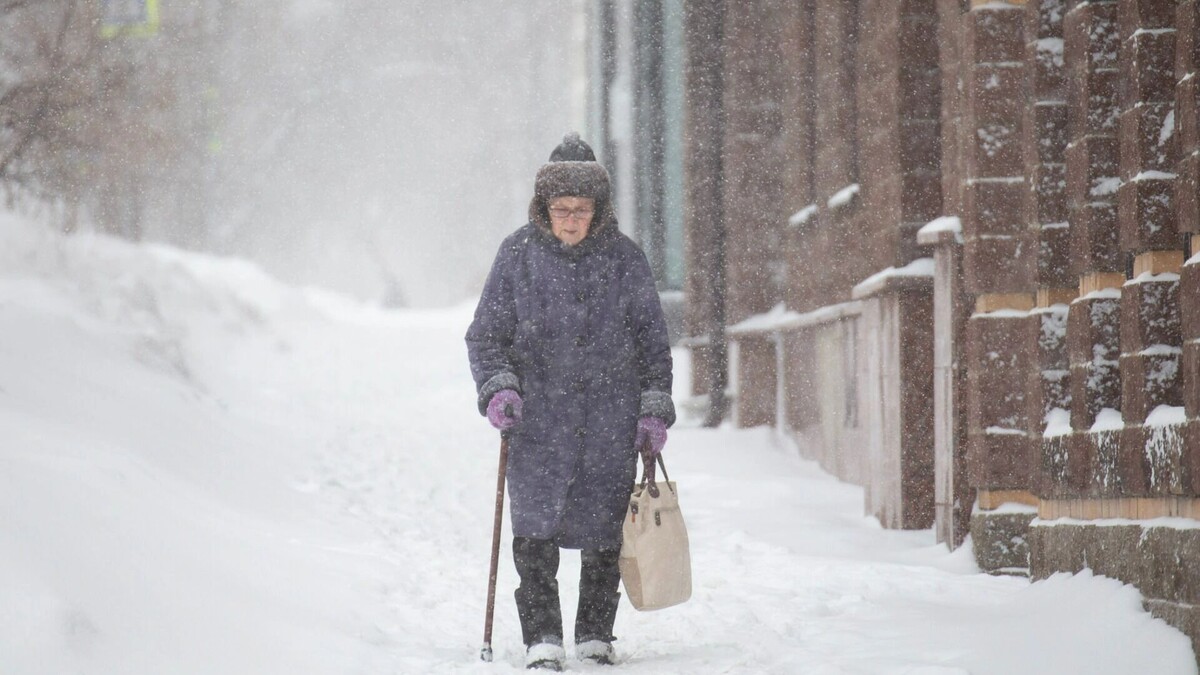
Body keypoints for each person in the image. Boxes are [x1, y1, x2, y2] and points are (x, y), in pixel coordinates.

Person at [466, 133, 674, 670]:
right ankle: (541, 638)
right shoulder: (517, 254)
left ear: (598, 209)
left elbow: (653, 342)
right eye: (561, 209)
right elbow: (486, 336)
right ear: (544, 208)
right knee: (534, 531)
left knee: (605, 531)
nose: (571, 220)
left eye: (581, 209)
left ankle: (594, 636)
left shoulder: (626, 259)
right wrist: (500, 388)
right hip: (537, 423)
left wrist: (652, 409)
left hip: (609, 417)